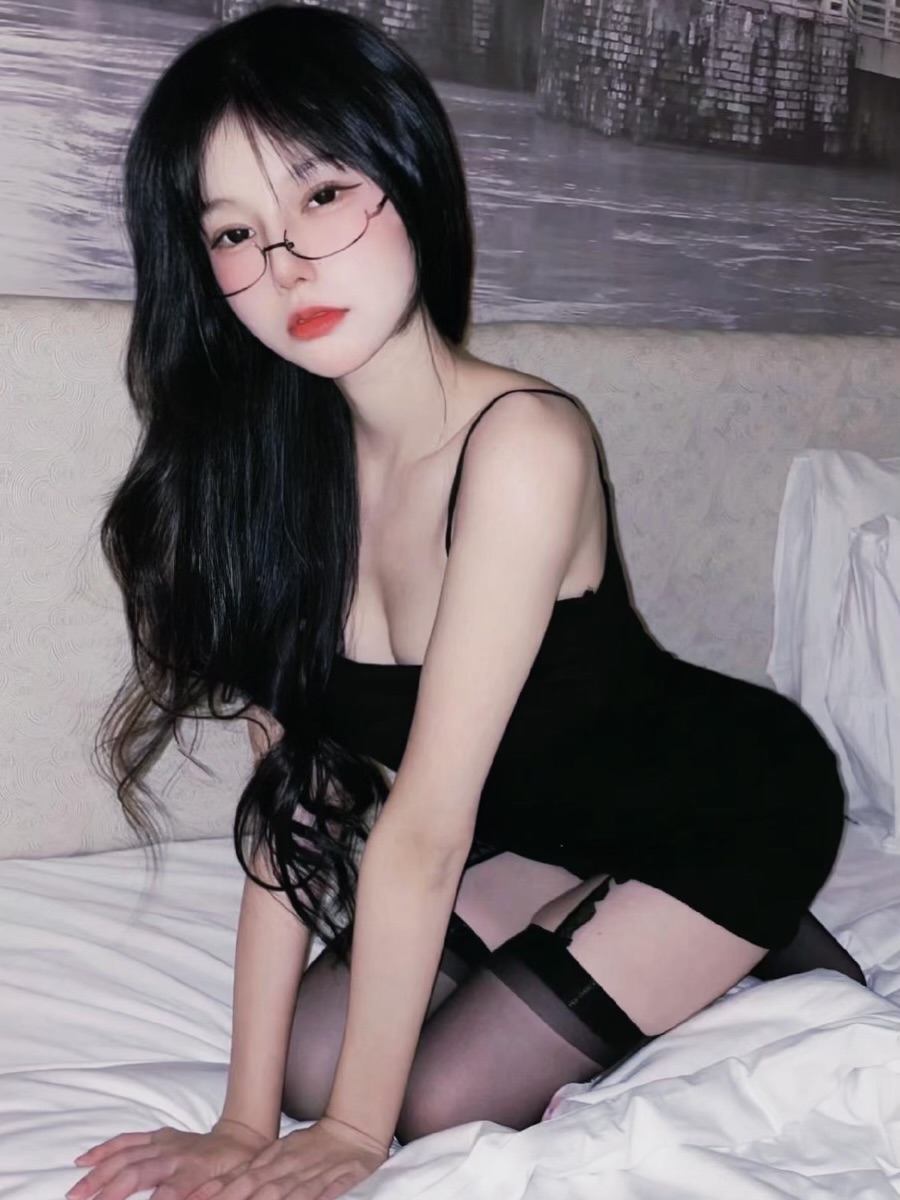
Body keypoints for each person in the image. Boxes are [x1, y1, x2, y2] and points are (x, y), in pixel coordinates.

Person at [67, 6, 866, 1200]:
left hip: (726, 807)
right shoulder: (281, 482)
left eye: (322, 196)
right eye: (235, 231)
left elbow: (427, 827)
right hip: (545, 831)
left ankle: (759, 934)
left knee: (435, 1102)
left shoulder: (524, 443)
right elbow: (295, 809)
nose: (286, 265)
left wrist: (357, 1138)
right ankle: (602, 908)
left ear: (409, 173)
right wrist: (241, 1119)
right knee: (312, 1064)